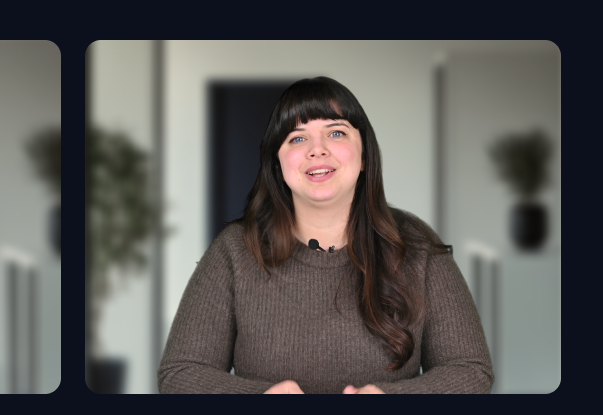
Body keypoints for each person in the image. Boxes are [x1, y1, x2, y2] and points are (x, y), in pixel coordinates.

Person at [158, 76, 492, 394]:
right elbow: (180, 374)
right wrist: (260, 399)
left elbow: (471, 371)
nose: (317, 150)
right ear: (278, 164)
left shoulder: (415, 245)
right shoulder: (234, 249)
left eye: (336, 133)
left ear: (364, 157)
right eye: (298, 138)